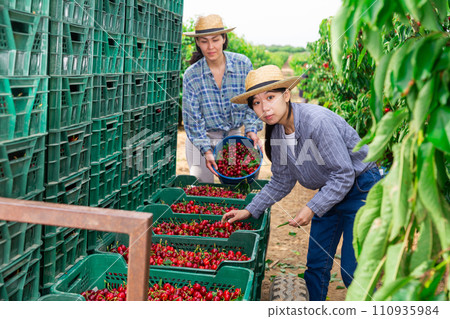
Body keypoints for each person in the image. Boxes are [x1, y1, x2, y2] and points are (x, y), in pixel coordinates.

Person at [221, 65, 381, 301]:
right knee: (316, 265)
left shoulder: (316, 123)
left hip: (360, 189)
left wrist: (312, 207)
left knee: (353, 270)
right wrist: (249, 209)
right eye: (256, 102)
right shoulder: (277, 133)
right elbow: (282, 180)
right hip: (330, 192)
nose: (264, 107)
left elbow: (345, 173)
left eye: (270, 97)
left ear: (287, 95)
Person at [182, 14, 263, 183]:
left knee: (241, 181)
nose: (210, 46)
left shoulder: (243, 65)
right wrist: (207, 150)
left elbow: (253, 102)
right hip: (202, 136)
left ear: (224, 39)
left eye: (215, 40)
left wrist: (251, 129)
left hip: (232, 134)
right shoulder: (192, 76)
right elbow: (192, 120)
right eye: (204, 41)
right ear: (197, 42)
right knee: (200, 183)